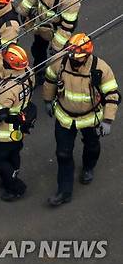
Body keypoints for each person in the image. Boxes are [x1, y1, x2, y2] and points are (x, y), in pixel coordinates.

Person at [43, 33, 119, 207]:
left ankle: (88, 167)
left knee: (92, 146)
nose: (73, 61)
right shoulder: (60, 61)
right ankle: (64, 192)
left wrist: (107, 120)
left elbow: (112, 94)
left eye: (77, 59)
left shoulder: (100, 68)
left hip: (90, 118)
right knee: (63, 154)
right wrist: (48, 100)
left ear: (86, 55)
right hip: (65, 117)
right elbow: (50, 80)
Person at [0, 45, 35, 201]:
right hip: (19, 127)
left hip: (6, 131)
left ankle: (15, 186)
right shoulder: (29, 73)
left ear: (10, 64)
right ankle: (9, 177)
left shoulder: (8, 89)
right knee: (13, 154)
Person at [17, 0, 79, 84]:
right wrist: (23, 12)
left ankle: (61, 76)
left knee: (59, 58)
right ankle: (40, 72)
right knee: (37, 49)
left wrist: (57, 46)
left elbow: (67, 27)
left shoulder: (70, 0)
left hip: (58, 29)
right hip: (42, 25)